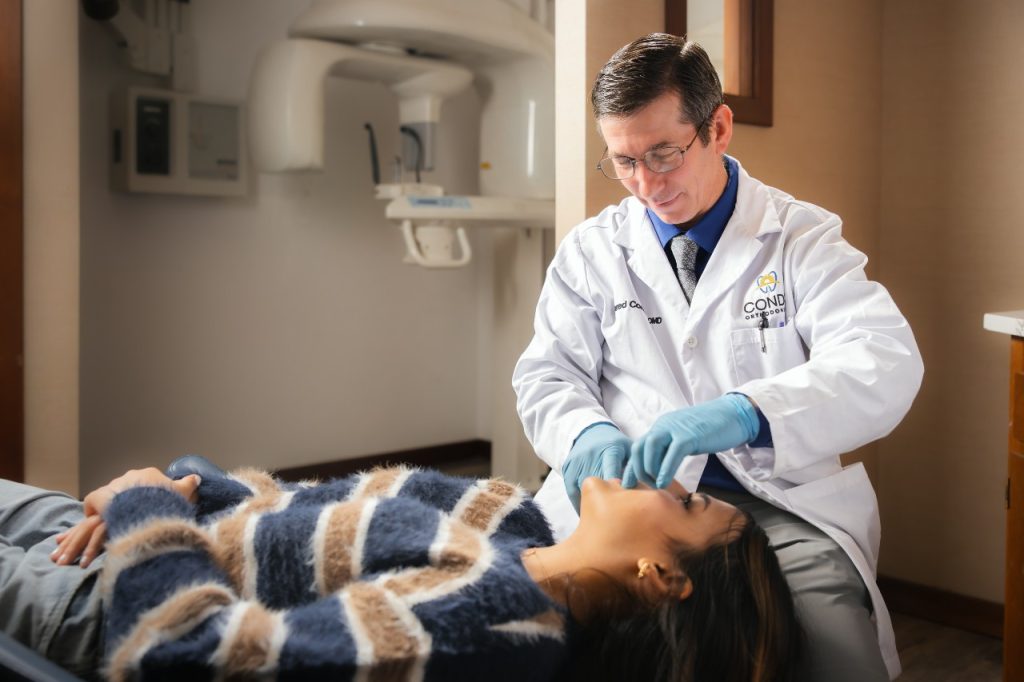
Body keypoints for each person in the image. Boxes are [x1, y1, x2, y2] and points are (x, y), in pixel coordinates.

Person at [513, 33, 924, 681]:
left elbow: (884, 360)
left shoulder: (799, 238)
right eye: (624, 161)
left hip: (775, 505)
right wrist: (585, 434)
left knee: (835, 650)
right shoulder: (591, 251)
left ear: (719, 128)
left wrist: (745, 413)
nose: (646, 183)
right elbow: (548, 373)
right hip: (639, 499)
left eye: (664, 154)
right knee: (548, 634)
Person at [1, 456, 801, 681]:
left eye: (690, 505)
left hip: (107, 600)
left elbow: (189, 654)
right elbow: (306, 509)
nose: (672, 481)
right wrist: (180, 486)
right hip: (131, 534)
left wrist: (148, 510)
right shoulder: (508, 518)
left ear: (660, 576)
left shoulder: (497, 623)